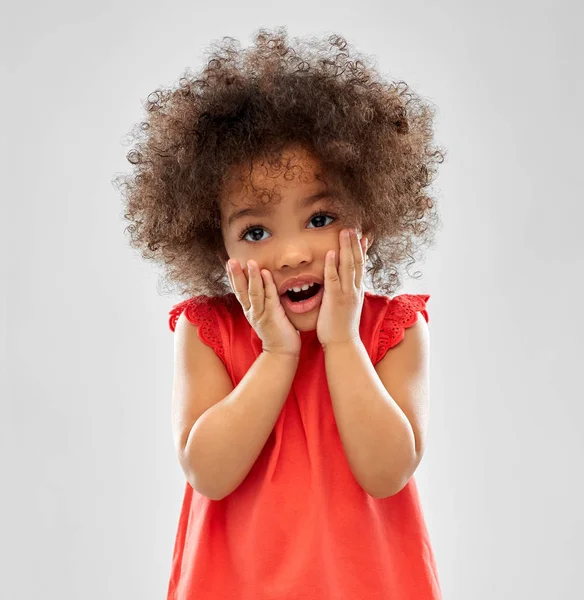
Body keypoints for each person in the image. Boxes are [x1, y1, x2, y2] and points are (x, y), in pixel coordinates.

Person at [116, 26, 446, 600]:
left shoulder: (391, 329)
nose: (292, 252)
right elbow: (209, 473)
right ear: (218, 247)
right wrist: (276, 353)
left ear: (366, 225)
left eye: (319, 219)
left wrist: (342, 343)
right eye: (257, 230)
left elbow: (388, 470)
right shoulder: (208, 331)